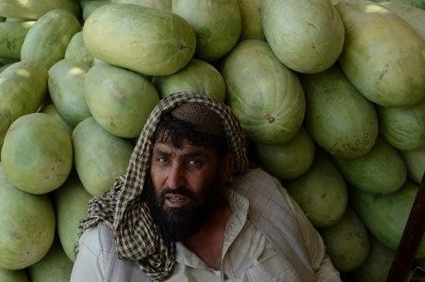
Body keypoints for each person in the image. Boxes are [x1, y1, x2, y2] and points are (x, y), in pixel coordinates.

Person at [71, 91, 341, 281]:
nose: (174, 180)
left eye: (194, 162)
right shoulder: (105, 249)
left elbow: (318, 267)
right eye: (163, 159)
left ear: (225, 168)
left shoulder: (265, 194)